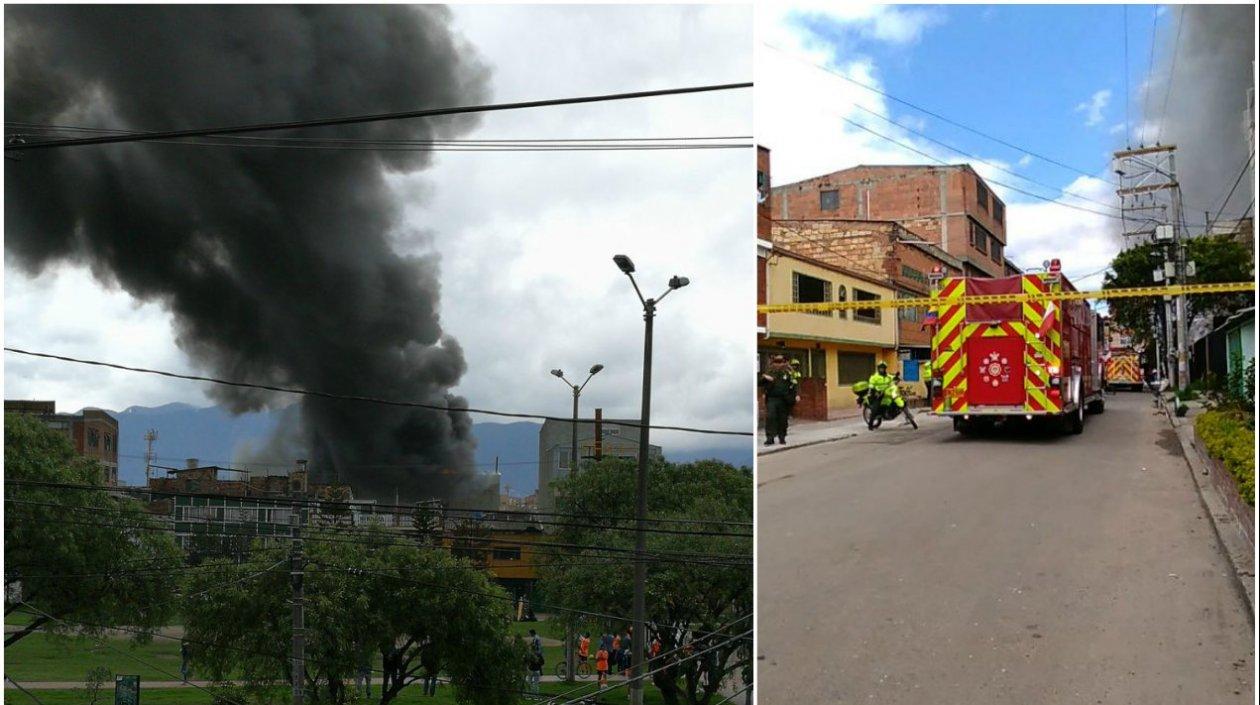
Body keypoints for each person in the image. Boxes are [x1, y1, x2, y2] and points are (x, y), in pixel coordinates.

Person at [760, 354, 798, 445]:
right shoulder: (769, 371)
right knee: (771, 418)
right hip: (772, 398)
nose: (778, 364)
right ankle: (770, 438)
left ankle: (782, 437)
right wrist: (765, 378)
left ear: (784, 363)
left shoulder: (789, 372)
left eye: (780, 362)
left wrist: (796, 395)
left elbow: (794, 384)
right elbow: (760, 383)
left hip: (784, 399)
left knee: (783, 420)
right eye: (776, 362)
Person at [868, 362, 917, 429]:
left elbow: (893, 378)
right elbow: (871, 386)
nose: (882, 370)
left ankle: (905, 415)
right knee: (875, 408)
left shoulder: (888, 376)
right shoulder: (874, 377)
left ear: (885, 369)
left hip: (887, 392)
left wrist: (896, 377)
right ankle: (870, 424)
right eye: (880, 368)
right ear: (878, 369)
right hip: (879, 394)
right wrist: (873, 392)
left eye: (883, 368)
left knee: (901, 399)